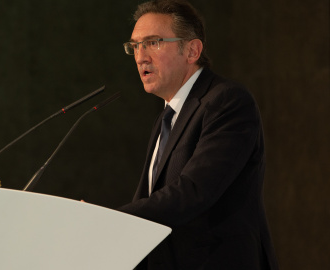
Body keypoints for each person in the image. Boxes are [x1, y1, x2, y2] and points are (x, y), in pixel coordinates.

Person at [118, 0, 279, 269]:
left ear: (192, 50)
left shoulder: (227, 102)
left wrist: (110, 217)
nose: (140, 56)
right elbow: (147, 201)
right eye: (135, 45)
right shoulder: (165, 119)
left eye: (153, 42)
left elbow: (194, 192)